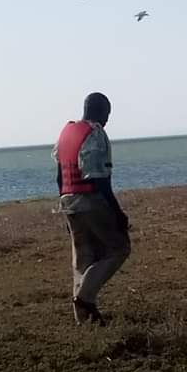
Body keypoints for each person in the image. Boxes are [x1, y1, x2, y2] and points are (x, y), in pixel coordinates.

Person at [53, 92, 130, 325]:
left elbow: (59, 176)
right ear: (101, 111)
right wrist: (117, 213)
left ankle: (83, 318)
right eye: (107, 114)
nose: (107, 120)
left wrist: (65, 208)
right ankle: (85, 298)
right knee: (119, 249)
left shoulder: (66, 133)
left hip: (69, 200)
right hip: (91, 200)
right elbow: (100, 180)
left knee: (83, 256)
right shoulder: (95, 134)